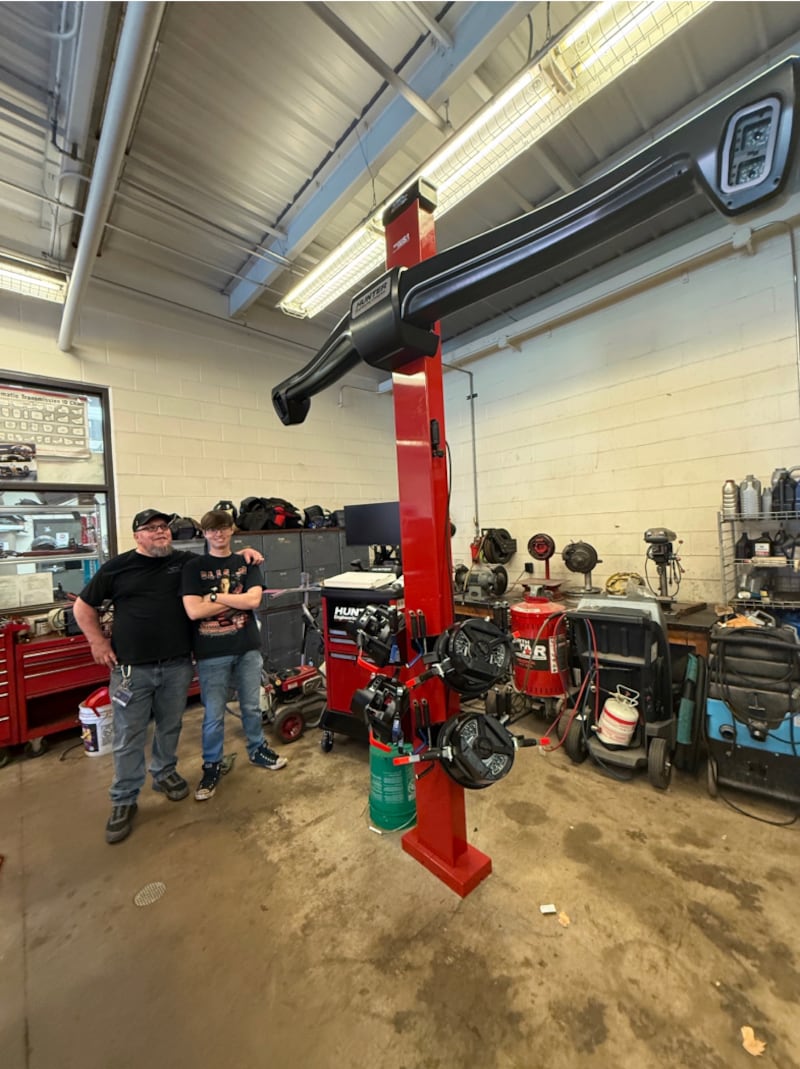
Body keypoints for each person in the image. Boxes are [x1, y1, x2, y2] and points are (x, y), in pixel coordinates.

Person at [73, 508, 264, 844]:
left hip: (176, 664)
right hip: (132, 668)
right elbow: (82, 607)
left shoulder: (184, 563)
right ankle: (124, 799)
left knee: (170, 725)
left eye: (164, 527)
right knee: (129, 734)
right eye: (151, 528)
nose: (160, 532)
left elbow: (220, 561)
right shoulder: (118, 567)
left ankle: (164, 773)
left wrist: (247, 556)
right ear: (137, 536)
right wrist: (97, 642)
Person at [181, 509, 287, 802]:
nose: (218, 534)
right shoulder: (194, 567)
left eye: (224, 528)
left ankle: (257, 749)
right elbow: (193, 610)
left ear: (231, 530)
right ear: (205, 534)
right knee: (213, 716)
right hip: (210, 653)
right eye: (212, 530)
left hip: (247, 648)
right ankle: (212, 766)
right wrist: (232, 602)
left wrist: (213, 597)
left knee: (252, 707)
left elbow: (253, 600)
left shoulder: (246, 561)